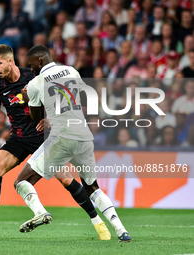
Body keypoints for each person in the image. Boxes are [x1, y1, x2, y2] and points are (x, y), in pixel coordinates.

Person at [0, 45, 110, 240]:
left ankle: (98, 222)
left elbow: (60, 97)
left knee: (66, 179)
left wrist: (50, 119)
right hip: (18, 137)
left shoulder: (34, 76)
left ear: (10, 61)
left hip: (42, 137)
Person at [13, 45, 131, 242]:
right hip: (84, 136)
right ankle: (122, 231)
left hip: (61, 137)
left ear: (40, 61)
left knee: (22, 181)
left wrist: (27, 99)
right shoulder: (72, 71)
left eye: (31, 64)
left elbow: (35, 118)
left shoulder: (35, 83)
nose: (31, 69)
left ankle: (40, 212)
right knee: (92, 187)